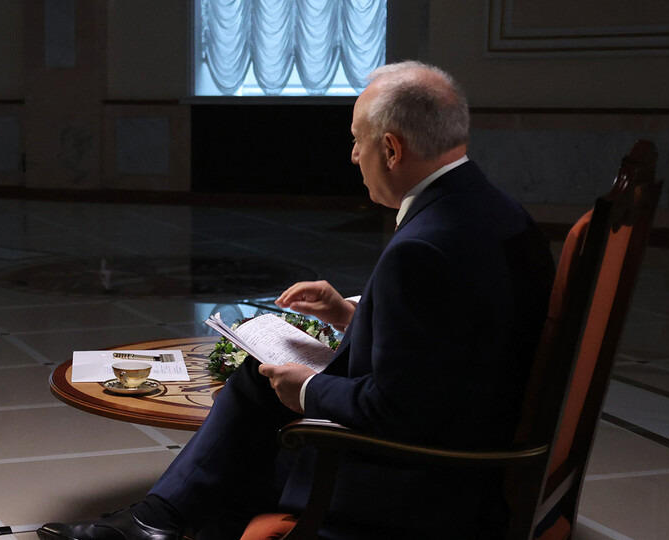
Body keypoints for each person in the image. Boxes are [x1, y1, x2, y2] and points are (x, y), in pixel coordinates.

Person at [38, 61, 555, 540]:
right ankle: (158, 520)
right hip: (477, 440)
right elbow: (455, 340)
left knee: (259, 407)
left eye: (357, 141)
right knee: (255, 391)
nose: (353, 156)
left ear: (391, 150)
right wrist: (349, 315)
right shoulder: (498, 212)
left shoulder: (422, 247)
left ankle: (157, 521)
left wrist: (306, 389)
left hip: (425, 483)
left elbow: (396, 410)